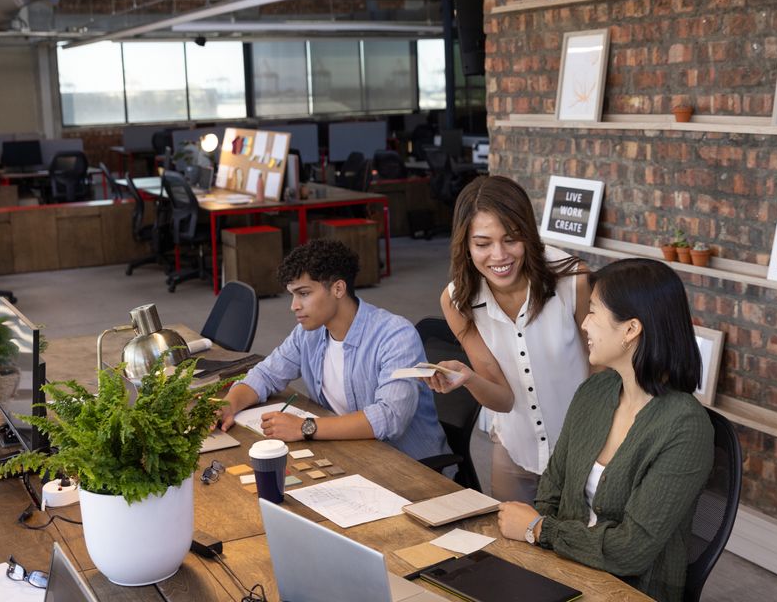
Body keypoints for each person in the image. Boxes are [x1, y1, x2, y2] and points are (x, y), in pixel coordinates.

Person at [496, 258, 714, 602]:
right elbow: (550, 492)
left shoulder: (685, 428)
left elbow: (632, 550)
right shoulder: (593, 393)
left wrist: (539, 530)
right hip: (565, 571)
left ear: (631, 329)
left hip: (632, 591)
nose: (584, 323)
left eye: (594, 312)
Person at [427, 175, 590, 502]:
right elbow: (503, 399)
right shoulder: (457, 300)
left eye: (511, 239)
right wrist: (468, 378)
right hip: (516, 450)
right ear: (466, 244)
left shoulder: (573, 280)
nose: (499, 256)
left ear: (528, 234)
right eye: (483, 243)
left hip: (583, 454)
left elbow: (605, 376)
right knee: (510, 548)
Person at [220, 238, 449, 462]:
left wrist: (304, 427)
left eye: (304, 293)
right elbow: (266, 375)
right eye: (293, 294)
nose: (294, 306)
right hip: (349, 453)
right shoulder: (308, 333)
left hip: (408, 467)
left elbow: (390, 418)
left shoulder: (395, 335)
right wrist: (228, 406)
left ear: (338, 288)